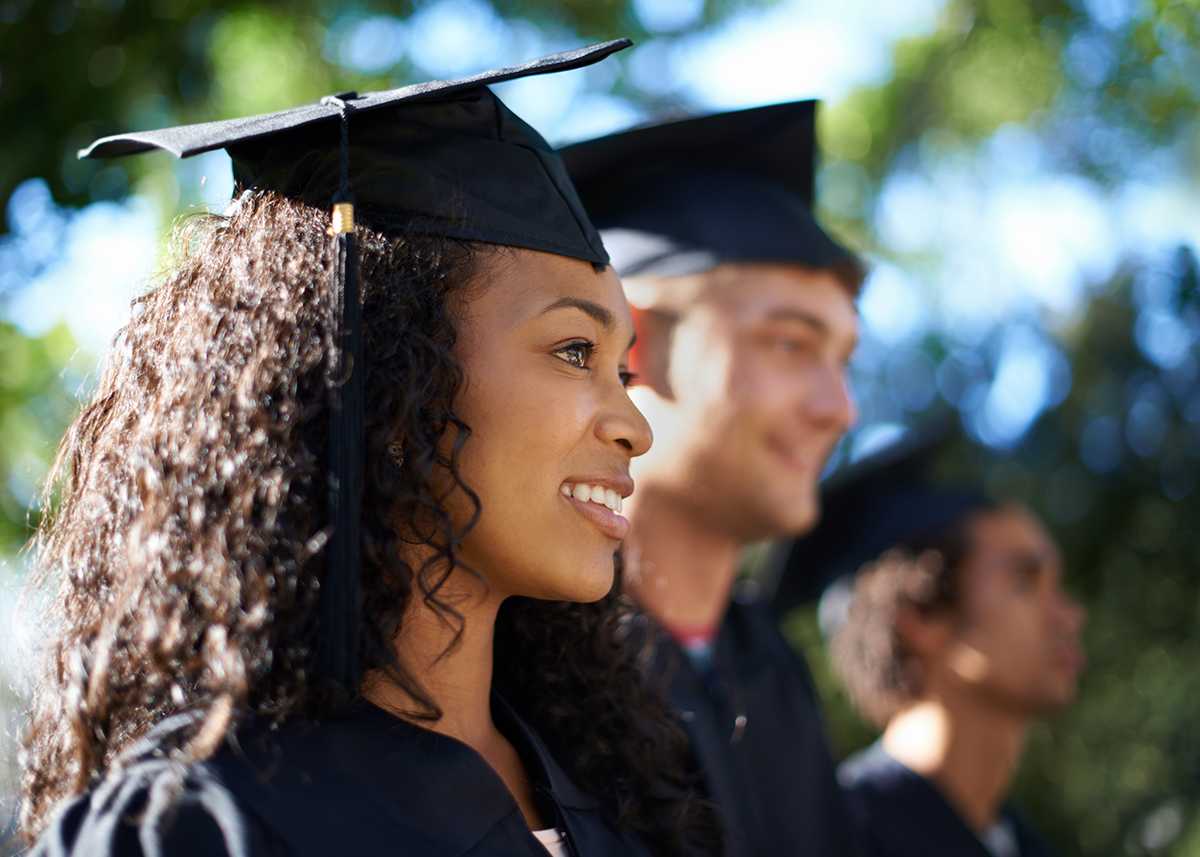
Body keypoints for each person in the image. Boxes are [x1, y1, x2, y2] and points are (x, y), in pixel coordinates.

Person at [21, 42, 719, 857]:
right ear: (387, 365)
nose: (635, 424)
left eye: (625, 368)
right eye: (574, 351)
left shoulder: (631, 803)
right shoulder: (208, 821)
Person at [561, 102, 866, 857]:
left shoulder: (776, 674)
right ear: (636, 341)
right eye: (791, 343)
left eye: (844, 359)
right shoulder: (527, 661)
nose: (841, 408)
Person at [829, 485, 1087, 857]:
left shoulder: (1018, 841)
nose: (1070, 615)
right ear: (922, 619)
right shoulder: (836, 836)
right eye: (1023, 584)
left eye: (1057, 585)